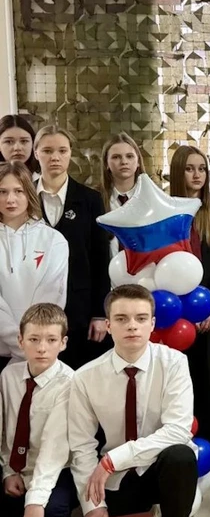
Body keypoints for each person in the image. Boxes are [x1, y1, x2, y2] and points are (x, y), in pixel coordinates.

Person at [68, 285, 198, 517]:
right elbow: (81, 446)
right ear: (108, 325)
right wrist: (93, 506)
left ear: (152, 323)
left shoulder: (174, 363)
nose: (132, 326)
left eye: (141, 318)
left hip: (160, 467)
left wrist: (113, 459)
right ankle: (144, 514)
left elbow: (178, 430)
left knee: (181, 455)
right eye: (122, 319)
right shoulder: (85, 377)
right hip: (118, 477)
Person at [0, 304, 76, 517]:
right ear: (20, 341)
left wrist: (34, 503)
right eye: (33, 339)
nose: (42, 348)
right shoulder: (8, 376)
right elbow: (5, 431)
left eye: (51, 340)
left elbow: (54, 450)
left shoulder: (69, 383)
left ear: (63, 343)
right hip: (16, 471)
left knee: (53, 508)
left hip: (55, 471)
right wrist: (8, 472)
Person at [169, 145, 210, 464]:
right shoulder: (167, 208)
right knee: (181, 380)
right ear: (178, 172)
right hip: (174, 314)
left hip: (209, 310)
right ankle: (181, 442)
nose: (197, 175)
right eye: (190, 169)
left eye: (202, 169)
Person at [33, 125, 111, 369]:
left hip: (79, 308)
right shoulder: (24, 198)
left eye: (62, 150)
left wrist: (100, 313)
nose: (55, 157)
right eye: (47, 151)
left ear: (70, 153)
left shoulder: (90, 199)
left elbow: (100, 258)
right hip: (34, 305)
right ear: (36, 153)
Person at [0, 162, 69, 372]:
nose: (10, 199)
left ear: (29, 193)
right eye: (2, 192)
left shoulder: (54, 240)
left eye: (18, 191)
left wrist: (32, 343)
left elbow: (52, 297)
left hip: (40, 351)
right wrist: (20, 345)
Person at [100, 133, 146, 258]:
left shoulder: (151, 199)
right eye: (116, 157)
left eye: (129, 156)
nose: (124, 162)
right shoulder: (95, 199)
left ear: (138, 162)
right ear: (106, 163)